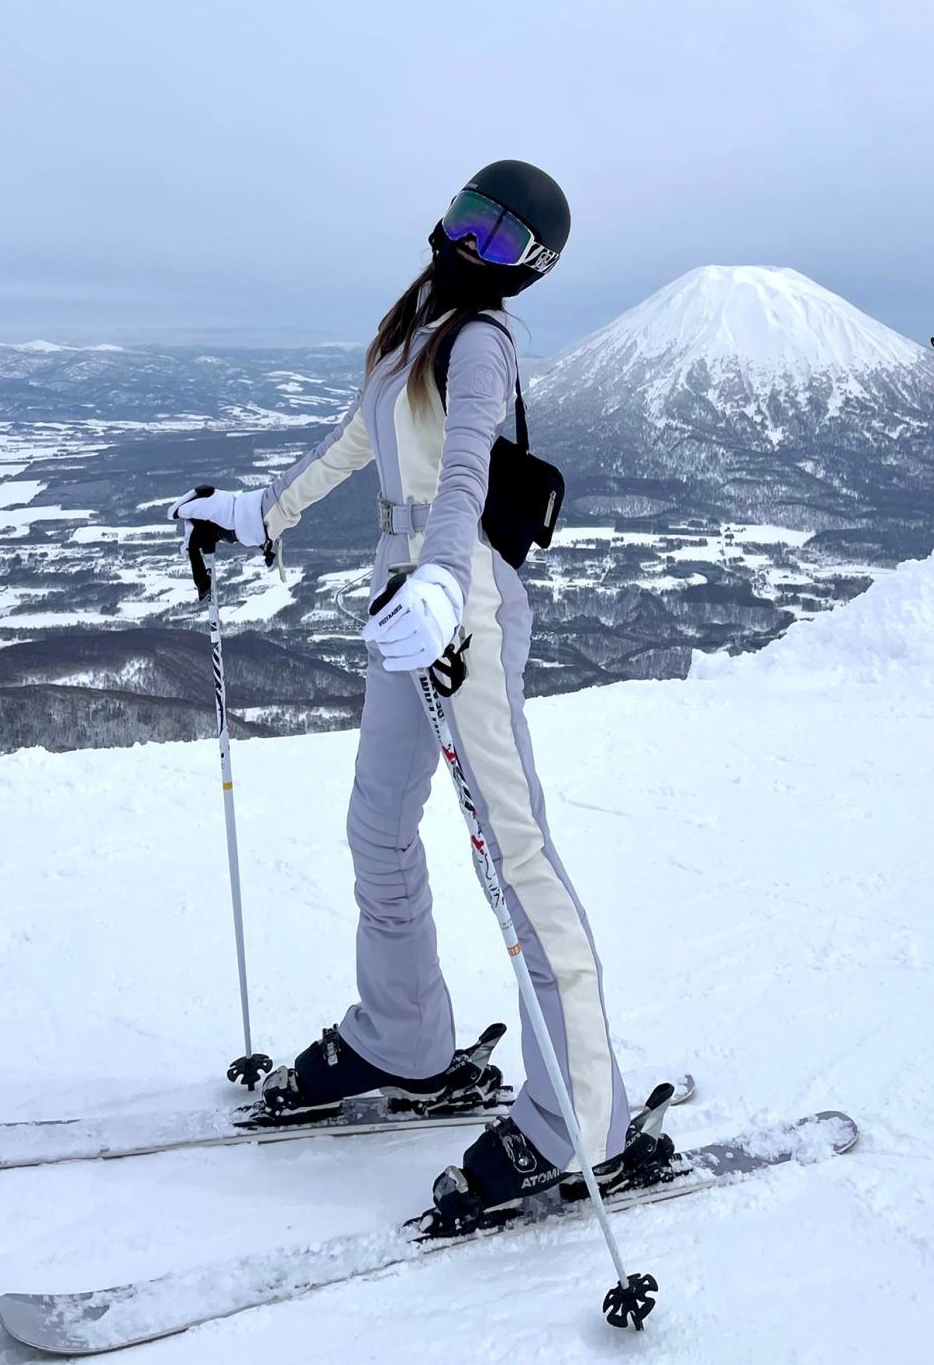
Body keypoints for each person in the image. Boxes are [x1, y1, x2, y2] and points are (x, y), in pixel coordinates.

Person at [168, 160, 630, 1212]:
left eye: (504, 241)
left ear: (531, 271)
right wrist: (262, 513)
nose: (475, 245)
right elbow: (354, 440)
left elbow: (465, 463)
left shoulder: (483, 341)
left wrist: (439, 576)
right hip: (403, 600)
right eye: (474, 217)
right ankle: (405, 1039)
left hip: (455, 597)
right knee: (378, 822)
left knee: (515, 851)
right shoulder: (419, 325)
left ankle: (581, 1117)